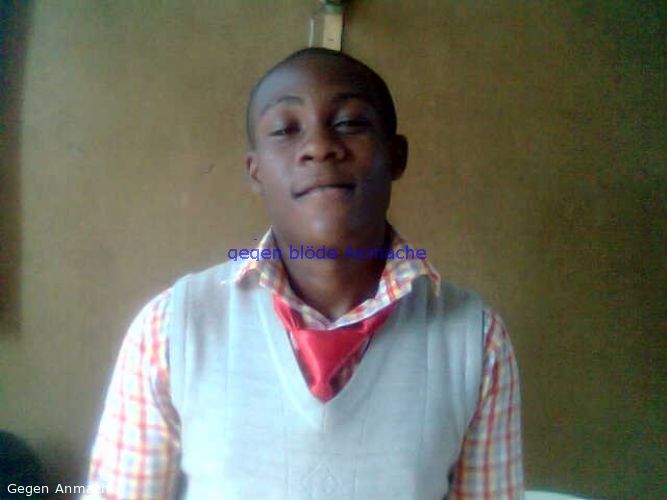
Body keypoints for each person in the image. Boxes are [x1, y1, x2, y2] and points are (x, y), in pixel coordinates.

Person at [85, 47, 523, 499]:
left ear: (396, 157)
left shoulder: (476, 342)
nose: (319, 146)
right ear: (255, 171)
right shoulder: (172, 331)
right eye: (284, 129)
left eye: (350, 123)